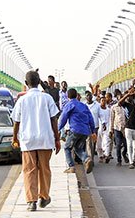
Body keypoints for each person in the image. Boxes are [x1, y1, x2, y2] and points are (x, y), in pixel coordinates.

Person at [11, 71, 61, 212]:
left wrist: (15, 138)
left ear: (26, 84)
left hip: (27, 140)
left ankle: (31, 201)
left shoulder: (22, 100)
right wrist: (57, 139)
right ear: (39, 82)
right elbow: (54, 119)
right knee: (44, 169)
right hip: (45, 139)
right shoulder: (47, 98)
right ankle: (44, 197)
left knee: (29, 170)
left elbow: (16, 122)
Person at [58, 89, 96, 174]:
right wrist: (93, 131)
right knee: (78, 148)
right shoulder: (83, 105)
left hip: (75, 130)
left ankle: (71, 167)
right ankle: (87, 159)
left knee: (67, 147)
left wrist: (58, 129)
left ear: (68, 96)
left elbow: (63, 118)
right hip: (85, 131)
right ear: (76, 95)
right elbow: (91, 118)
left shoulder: (69, 105)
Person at [119, 85, 135, 169]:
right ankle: (131, 162)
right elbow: (119, 102)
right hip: (128, 127)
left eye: (131, 96)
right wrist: (126, 94)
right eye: (129, 96)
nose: (130, 98)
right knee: (129, 144)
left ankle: (133, 158)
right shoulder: (125, 105)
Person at [109, 91, 129, 166]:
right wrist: (111, 130)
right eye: (120, 98)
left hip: (125, 128)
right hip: (117, 128)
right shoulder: (113, 107)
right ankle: (119, 160)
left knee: (126, 144)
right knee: (118, 144)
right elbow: (112, 118)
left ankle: (124, 154)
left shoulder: (126, 107)